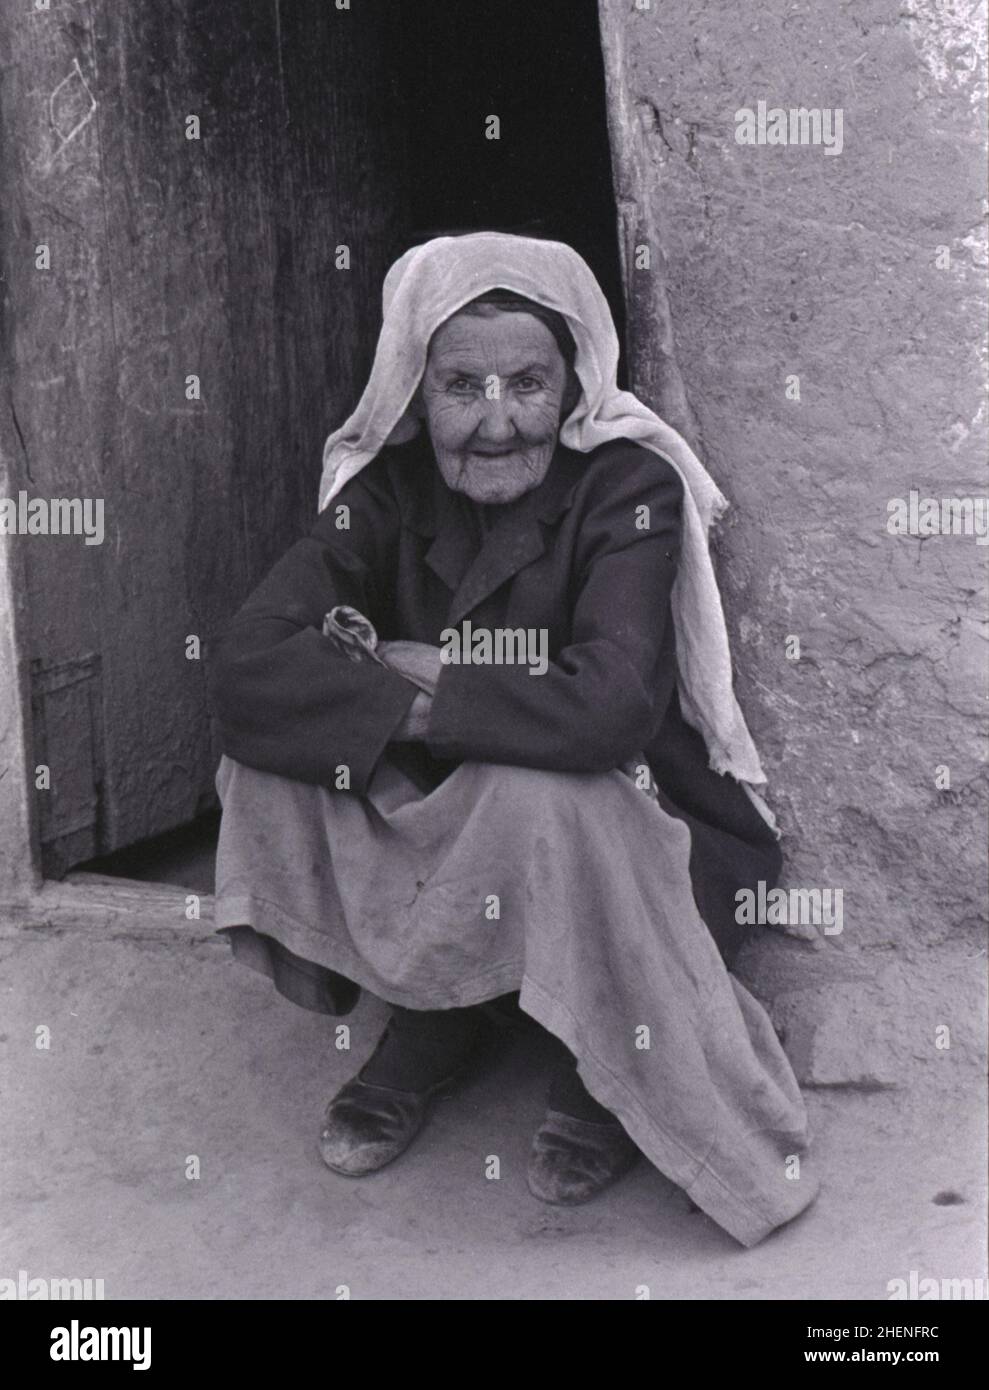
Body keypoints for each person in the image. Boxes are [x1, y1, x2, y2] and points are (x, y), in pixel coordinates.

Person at [208, 232, 817, 1247]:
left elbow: (609, 706)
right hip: (459, 820)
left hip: (627, 828)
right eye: (460, 386)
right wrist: (421, 702)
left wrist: (418, 677)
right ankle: (437, 1006)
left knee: (541, 786)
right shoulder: (388, 492)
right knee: (266, 759)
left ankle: (603, 1056)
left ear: (573, 382)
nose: (495, 422)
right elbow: (244, 667)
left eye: (527, 382)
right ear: (416, 387)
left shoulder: (624, 487)